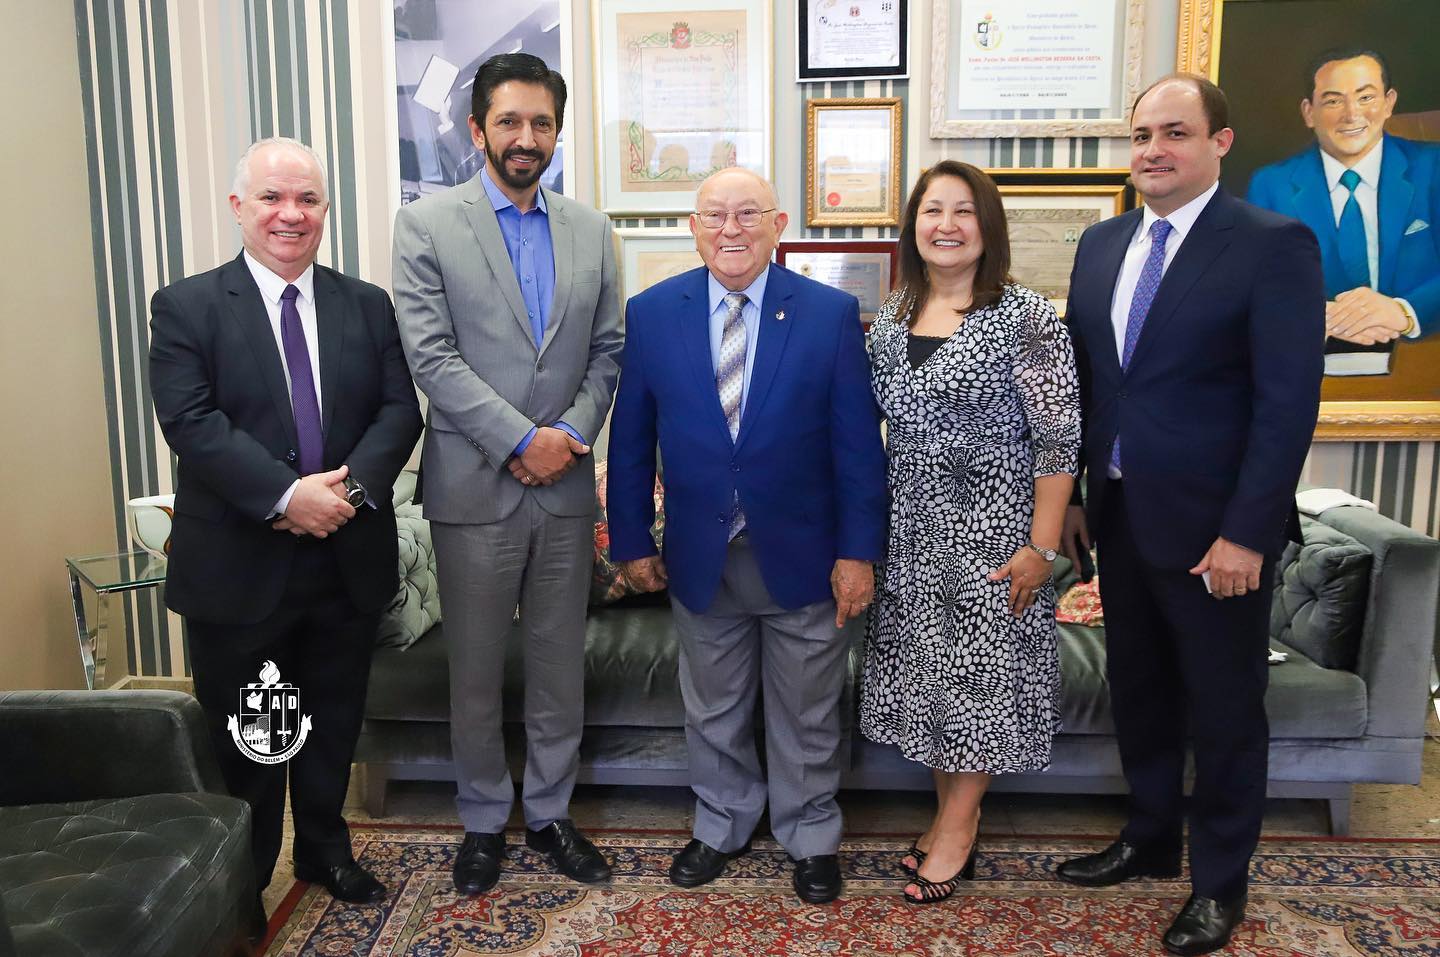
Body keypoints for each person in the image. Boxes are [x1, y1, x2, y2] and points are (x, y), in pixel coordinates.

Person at [1057, 75, 1324, 956]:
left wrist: (1248, 529)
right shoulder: (1101, 246)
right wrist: (1082, 502)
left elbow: (1287, 404)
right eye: (1141, 134)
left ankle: (1218, 884)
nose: (1152, 150)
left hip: (1218, 533)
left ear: (1221, 142)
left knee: (1223, 710)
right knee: (1140, 692)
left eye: (1175, 132)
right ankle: (1146, 837)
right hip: (1124, 516)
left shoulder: (1272, 244)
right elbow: (1095, 386)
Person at [148, 138, 423, 911]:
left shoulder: (366, 304)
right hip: (242, 565)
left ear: (324, 210)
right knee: (254, 738)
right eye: (273, 198)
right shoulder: (187, 306)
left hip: (346, 552)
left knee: (333, 720)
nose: (291, 214)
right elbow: (192, 423)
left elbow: (399, 409)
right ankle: (246, 878)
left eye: (307, 199)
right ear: (239, 207)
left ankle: (326, 852)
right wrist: (284, 496)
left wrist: (351, 492)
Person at [606, 167, 888, 904]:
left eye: (747, 214)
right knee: (714, 706)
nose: (730, 229)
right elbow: (631, 438)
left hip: (803, 554)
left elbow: (859, 448)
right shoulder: (654, 311)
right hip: (702, 554)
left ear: (777, 222)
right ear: (693, 227)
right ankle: (722, 821)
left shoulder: (828, 314)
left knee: (807, 709)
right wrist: (633, 542)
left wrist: (859, 553)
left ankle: (810, 832)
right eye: (714, 216)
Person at [391, 52, 623, 894]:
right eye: (510, 121)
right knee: (478, 668)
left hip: (563, 486)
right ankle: (484, 817)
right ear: (477, 127)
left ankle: (552, 813)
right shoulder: (426, 225)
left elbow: (608, 351)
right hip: (473, 487)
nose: (527, 138)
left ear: (557, 132)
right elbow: (431, 354)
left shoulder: (591, 230)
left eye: (542, 123)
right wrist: (520, 438)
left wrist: (565, 433)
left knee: (560, 663)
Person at [859, 161, 1080, 904]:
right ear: (913, 225)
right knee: (934, 684)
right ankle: (952, 810)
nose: (945, 225)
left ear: (988, 226)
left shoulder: (1025, 317)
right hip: (913, 537)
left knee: (979, 685)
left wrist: (1041, 549)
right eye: (931, 210)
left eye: (963, 211)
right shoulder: (892, 317)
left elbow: (1058, 442)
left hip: (995, 538)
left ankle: (957, 829)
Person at [1247, 48, 1440, 373]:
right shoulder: (1271, 185)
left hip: (1422, 369)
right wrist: (1308, 319)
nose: (1352, 115)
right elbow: (1250, 288)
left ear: (1389, 102)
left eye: (1366, 97)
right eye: (1333, 101)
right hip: (1306, 372)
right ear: (1309, 112)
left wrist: (1404, 312)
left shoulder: (1433, 168)